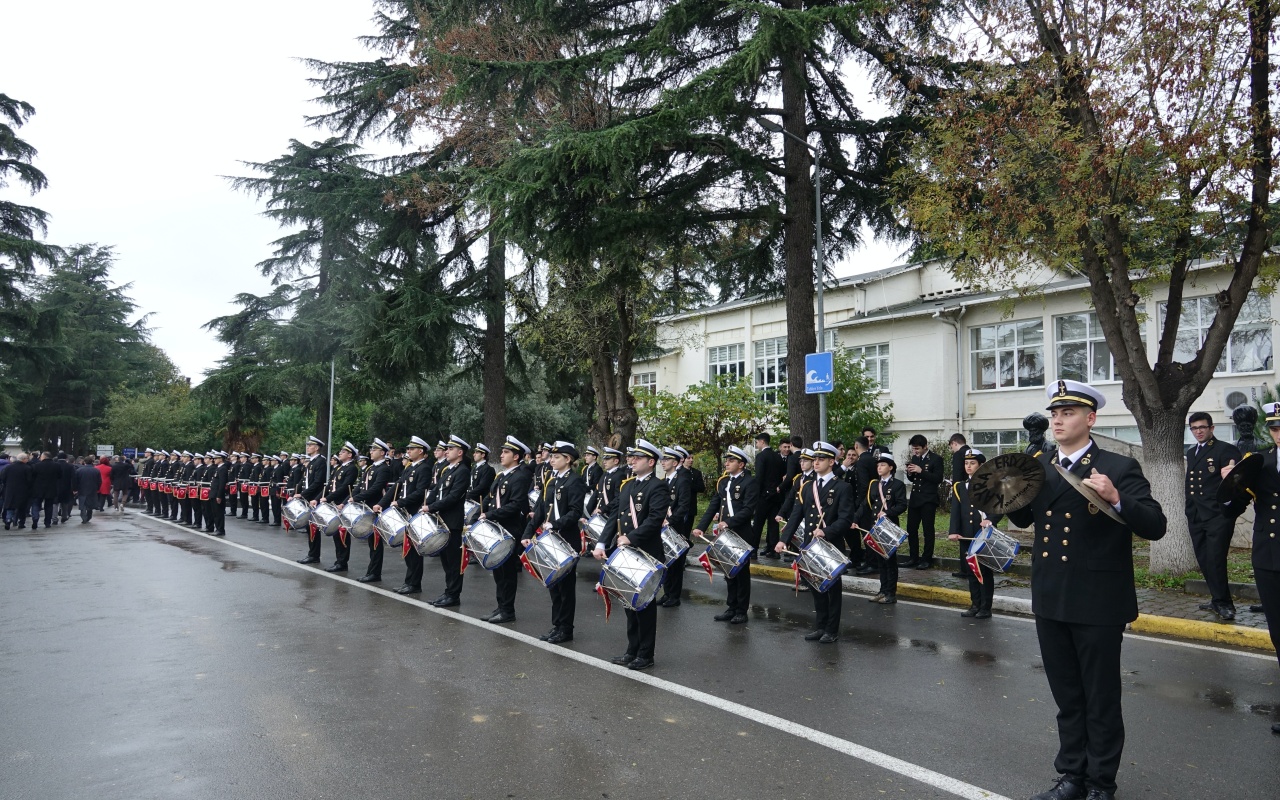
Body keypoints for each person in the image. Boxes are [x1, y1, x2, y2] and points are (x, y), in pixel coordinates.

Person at [1009, 379, 1166, 800]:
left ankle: (1100, 784)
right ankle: (1071, 777)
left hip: (1097, 601)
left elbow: (1155, 525)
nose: (1058, 420)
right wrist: (1002, 490)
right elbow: (1023, 520)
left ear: (1090, 419)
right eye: (1054, 414)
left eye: (1068, 413)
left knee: (1100, 699)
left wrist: (1117, 499)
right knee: (1067, 697)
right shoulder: (1039, 465)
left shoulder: (1118, 467)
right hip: (1051, 596)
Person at [1220, 402, 1280, 736]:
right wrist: (1230, 486)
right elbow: (1232, 508)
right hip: (1269, 559)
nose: (1279, 434)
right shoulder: (1260, 463)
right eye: (1274, 428)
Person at [595, 439, 669, 670]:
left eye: (637, 457)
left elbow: (655, 520)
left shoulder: (658, 486)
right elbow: (614, 517)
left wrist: (631, 538)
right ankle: (632, 650)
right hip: (626, 551)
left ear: (651, 461)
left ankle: (646, 654)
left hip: (645, 551)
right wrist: (601, 543)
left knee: (645, 605)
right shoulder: (627, 486)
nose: (632, 461)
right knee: (629, 601)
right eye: (631, 457)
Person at [779, 441, 856, 643]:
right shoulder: (808, 487)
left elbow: (846, 519)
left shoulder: (842, 487)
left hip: (829, 545)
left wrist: (826, 531)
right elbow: (796, 515)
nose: (816, 463)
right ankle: (820, 626)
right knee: (816, 587)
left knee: (831, 589)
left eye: (821, 459)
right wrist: (783, 540)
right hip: (810, 545)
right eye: (815, 459)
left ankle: (832, 629)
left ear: (832, 461)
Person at [523, 441, 586, 641]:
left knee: (566, 588)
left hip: (566, 539)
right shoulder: (551, 479)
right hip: (550, 539)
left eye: (556, 457)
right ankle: (557, 624)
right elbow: (540, 509)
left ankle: (566, 629)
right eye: (552, 456)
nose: (551, 460)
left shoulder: (574, 481)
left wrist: (556, 524)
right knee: (553, 585)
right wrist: (527, 533)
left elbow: (575, 512)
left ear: (568, 459)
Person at [1184, 412, 1243, 620]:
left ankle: (1225, 604)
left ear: (1211, 428)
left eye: (1202, 427)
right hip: (1196, 515)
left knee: (1216, 559)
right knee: (1204, 559)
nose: (1198, 431)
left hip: (1217, 515)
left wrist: (1227, 509)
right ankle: (1216, 598)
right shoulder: (1192, 452)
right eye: (1194, 428)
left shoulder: (1225, 450)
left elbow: (1234, 483)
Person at [695, 445, 759, 623]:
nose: (727, 463)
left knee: (741, 573)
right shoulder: (723, 482)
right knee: (728, 571)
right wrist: (701, 526)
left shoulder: (749, 482)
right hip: (725, 534)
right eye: (726, 460)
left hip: (742, 533)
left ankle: (742, 610)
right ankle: (731, 607)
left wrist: (729, 522)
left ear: (741, 464)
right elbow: (713, 506)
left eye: (731, 461)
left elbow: (748, 509)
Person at [479, 436, 533, 622]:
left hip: (510, 530)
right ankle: (500, 606)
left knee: (507, 573)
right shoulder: (502, 475)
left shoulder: (520, 476)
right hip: (497, 529)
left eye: (506, 452)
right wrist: (481, 511)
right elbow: (491, 497)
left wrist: (490, 515)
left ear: (516, 456)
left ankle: (508, 611)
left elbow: (516, 505)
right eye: (502, 452)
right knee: (498, 571)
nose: (501, 455)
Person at [947, 447, 1001, 618]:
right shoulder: (960, 487)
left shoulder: (991, 485)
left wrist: (990, 519)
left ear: (981, 465)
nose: (968, 466)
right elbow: (956, 511)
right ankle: (975, 604)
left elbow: (1000, 506)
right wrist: (954, 531)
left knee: (984, 570)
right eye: (966, 463)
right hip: (966, 534)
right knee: (971, 570)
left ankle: (986, 607)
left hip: (983, 533)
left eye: (972, 463)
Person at [376, 436, 432, 594]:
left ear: (421, 451)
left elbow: (421, 492)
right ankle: (409, 581)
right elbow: (396, 488)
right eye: (407, 449)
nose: (408, 451)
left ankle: (414, 583)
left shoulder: (424, 468)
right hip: (404, 513)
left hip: (414, 513)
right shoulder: (409, 468)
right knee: (407, 548)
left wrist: (401, 502)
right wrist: (382, 502)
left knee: (414, 549)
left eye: (411, 449)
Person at [421, 435, 471, 607]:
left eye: (450, 449)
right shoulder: (447, 470)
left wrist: (431, 507)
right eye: (447, 448)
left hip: (452, 522)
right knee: (445, 560)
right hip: (440, 521)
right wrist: (427, 503)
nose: (447, 451)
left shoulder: (462, 471)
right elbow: (435, 490)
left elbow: (454, 497)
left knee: (453, 562)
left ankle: (454, 595)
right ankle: (448, 591)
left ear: (460, 452)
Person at [350, 439, 397, 583]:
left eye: (374, 450)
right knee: (371, 542)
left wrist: (357, 498)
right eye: (371, 449)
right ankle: (371, 570)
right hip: (367, 507)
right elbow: (361, 486)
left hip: (375, 507)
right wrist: (352, 496)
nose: (371, 452)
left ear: (382, 453)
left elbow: (376, 488)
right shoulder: (371, 468)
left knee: (376, 542)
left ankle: (375, 573)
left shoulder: (383, 468)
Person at [867, 454, 907, 604]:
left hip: (889, 526)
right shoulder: (874, 484)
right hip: (876, 526)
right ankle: (882, 590)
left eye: (882, 465)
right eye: (878, 465)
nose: (879, 468)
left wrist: (888, 512)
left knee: (889, 560)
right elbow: (869, 504)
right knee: (880, 560)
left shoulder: (897, 485)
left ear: (890, 467)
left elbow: (902, 505)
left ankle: (891, 593)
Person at [658, 446, 694, 607]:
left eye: (666, 460)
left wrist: (670, 521)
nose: (663, 463)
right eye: (662, 460)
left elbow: (684, 505)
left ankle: (675, 595)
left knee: (676, 562)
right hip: (663, 526)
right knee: (666, 559)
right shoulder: (664, 481)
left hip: (676, 526)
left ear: (675, 462)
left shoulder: (682, 479)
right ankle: (667, 593)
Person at [903, 434, 944, 569]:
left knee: (928, 530)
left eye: (917, 448)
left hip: (928, 499)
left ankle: (927, 559)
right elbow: (913, 479)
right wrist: (909, 473)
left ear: (925, 446)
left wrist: (921, 471)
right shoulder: (915, 458)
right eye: (913, 449)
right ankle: (913, 557)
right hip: (915, 498)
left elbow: (938, 478)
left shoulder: (936, 459)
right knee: (911, 529)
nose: (915, 451)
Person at [318, 442, 359, 573]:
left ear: (350, 455)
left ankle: (342, 562)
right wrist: (319, 498)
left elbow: (344, 488)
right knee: (336, 533)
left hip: (342, 503)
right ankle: (338, 560)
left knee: (342, 534)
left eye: (343, 452)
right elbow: (329, 485)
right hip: (334, 503)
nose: (340, 453)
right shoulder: (339, 468)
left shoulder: (351, 468)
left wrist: (328, 498)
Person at [294, 437, 329, 565]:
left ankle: (314, 555)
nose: (308, 447)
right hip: (308, 497)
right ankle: (312, 553)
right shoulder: (311, 462)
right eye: (308, 445)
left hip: (313, 497)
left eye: (310, 445)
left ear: (317, 447)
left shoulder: (320, 462)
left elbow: (317, 482)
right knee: (310, 527)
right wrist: (296, 494)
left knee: (313, 527)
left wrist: (303, 495)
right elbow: (304, 481)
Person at [751, 432, 785, 559]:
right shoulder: (778, 457)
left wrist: (756, 495)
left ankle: (753, 550)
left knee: (758, 524)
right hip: (775, 496)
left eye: (757, 442)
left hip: (763, 496)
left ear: (762, 442)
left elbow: (759, 477)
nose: (757, 445)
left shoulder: (761, 457)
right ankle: (773, 550)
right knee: (773, 524)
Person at [851, 437, 878, 574]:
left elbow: (863, 485)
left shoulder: (862, 462)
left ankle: (872, 562)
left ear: (856, 446)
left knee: (867, 533)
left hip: (865, 502)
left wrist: (859, 504)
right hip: (873, 501)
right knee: (869, 532)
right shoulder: (872, 459)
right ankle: (869, 560)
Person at [946, 434, 971, 578]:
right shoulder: (971, 453)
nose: (952, 450)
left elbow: (956, 480)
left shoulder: (958, 455)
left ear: (954, 443)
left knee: (962, 530)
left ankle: (965, 569)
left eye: (951, 447)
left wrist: (954, 492)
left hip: (962, 493)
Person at [29, 452, 61, 530]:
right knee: (49, 506)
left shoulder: (37, 466)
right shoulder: (56, 466)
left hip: (38, 489)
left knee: (36, 504)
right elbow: (60, 476)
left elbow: (32, 477)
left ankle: (35, 518)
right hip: (51, 488)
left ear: (44, 457)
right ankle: (47, 522)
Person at [3, 452, 32, 529]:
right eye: (26, 458)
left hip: (10, 490)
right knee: (22, 507)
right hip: (23, 490)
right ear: (23, 459)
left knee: (10, 506)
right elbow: (29, 480)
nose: (27, 460)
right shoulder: (27, 468)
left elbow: (3, 478)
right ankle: (21, 523)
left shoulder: (9, 467)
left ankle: (8, 519)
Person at [205, 451, 228, 535]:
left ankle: (220, 529)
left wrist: (219, 495)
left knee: (219, 513)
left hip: (217, 494)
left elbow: (222, 484)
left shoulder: (223, 469)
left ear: (221, 459)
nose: (214, 460)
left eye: (216, 458)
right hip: (213, 493)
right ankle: (217, 528)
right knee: (214, 512)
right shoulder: (218, 468)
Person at [74, 457, 102, 523]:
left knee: (83, 503)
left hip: (82, 489)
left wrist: (75, 489)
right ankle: (89, 516)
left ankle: (83, 516)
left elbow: (76, 481)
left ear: (84, 462)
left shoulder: (79, 470)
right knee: (90, 503)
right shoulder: (96, 470)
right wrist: (97, 488)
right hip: (92, 489)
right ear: (92, 462)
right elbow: (99, 481)